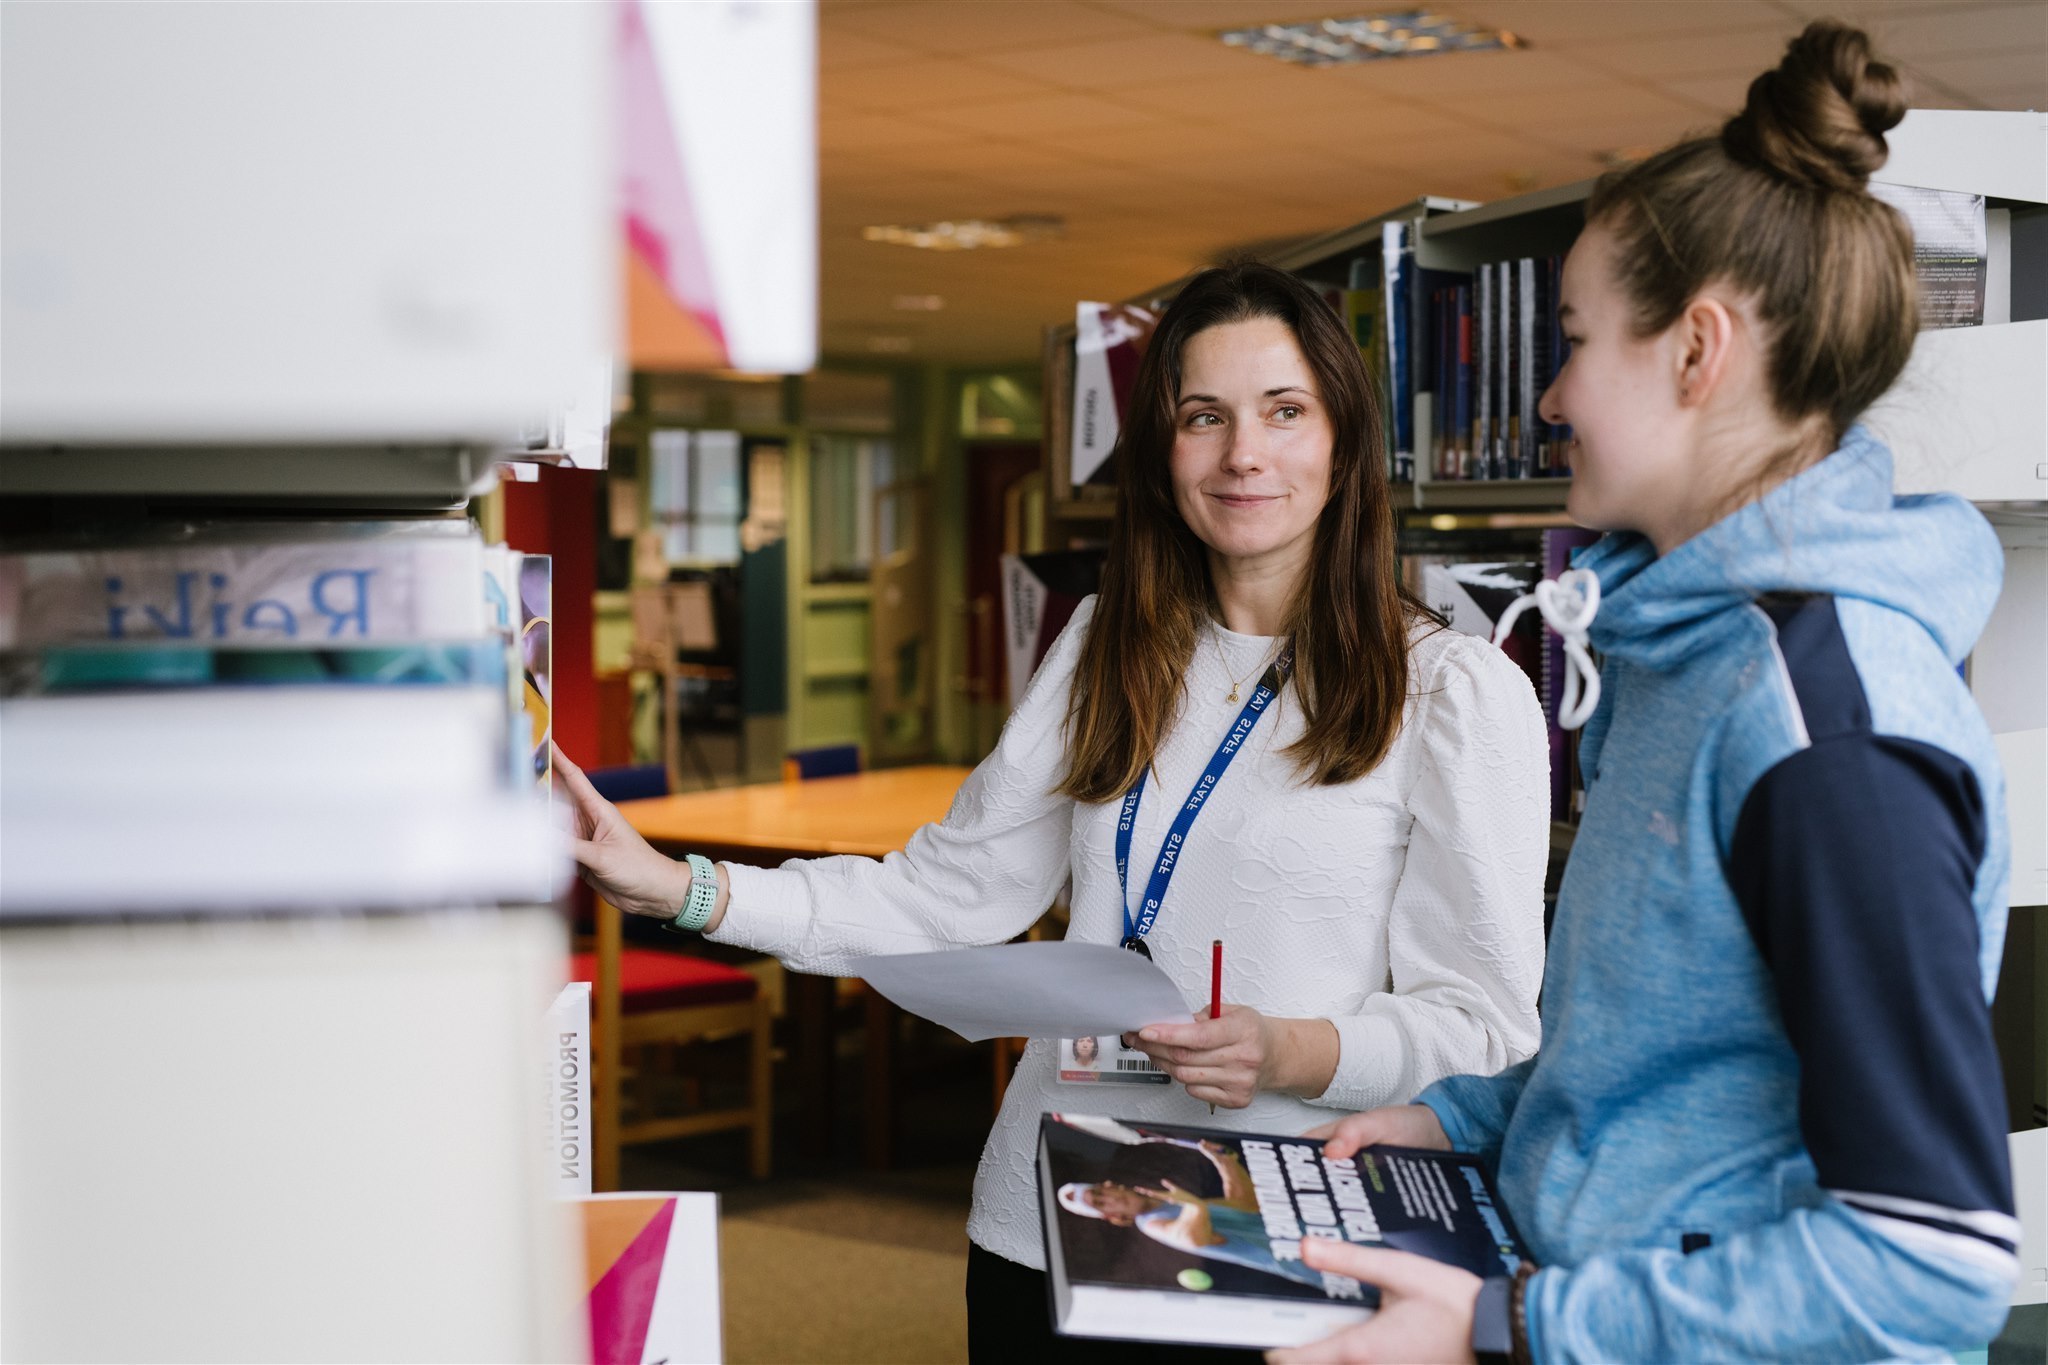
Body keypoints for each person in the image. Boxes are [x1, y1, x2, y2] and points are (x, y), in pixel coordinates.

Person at [557, 261, 1550, 1363]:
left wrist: (1293, 1050)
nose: (1242, 453)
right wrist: (679, 887)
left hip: (1286, 1243)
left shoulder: (1451, 691)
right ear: (1161, 449)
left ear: (1345, 441)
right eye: (1203, 416)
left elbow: (1487, 1030)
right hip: (1047, 1224)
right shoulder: (1101, 645)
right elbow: (942, 897)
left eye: (1284, 411)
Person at [1275, 22, 2021, 1365]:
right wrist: (1463, 1120)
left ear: (1696, 351)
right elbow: (1658, 1043)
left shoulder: (1826, 730)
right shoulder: (1678, 651)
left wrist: (1509, 1324)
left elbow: (1928, 1261)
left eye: (1572, 341)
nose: (1551, 399)